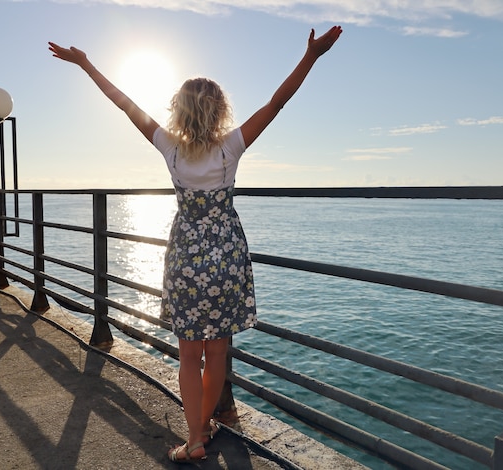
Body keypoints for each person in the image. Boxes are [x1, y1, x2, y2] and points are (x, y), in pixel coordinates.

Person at [48, 24, 342, 463]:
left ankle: (196, 439)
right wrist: (311, 57)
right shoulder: (231, 148)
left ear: (179, 112)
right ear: (220, 110)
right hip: (226, 256)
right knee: (217, 350)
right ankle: (205, 426)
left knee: (188, 355)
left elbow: (123, 103)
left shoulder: (171, 149)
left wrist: (87, 63)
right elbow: (277, 102)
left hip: (186, 257)